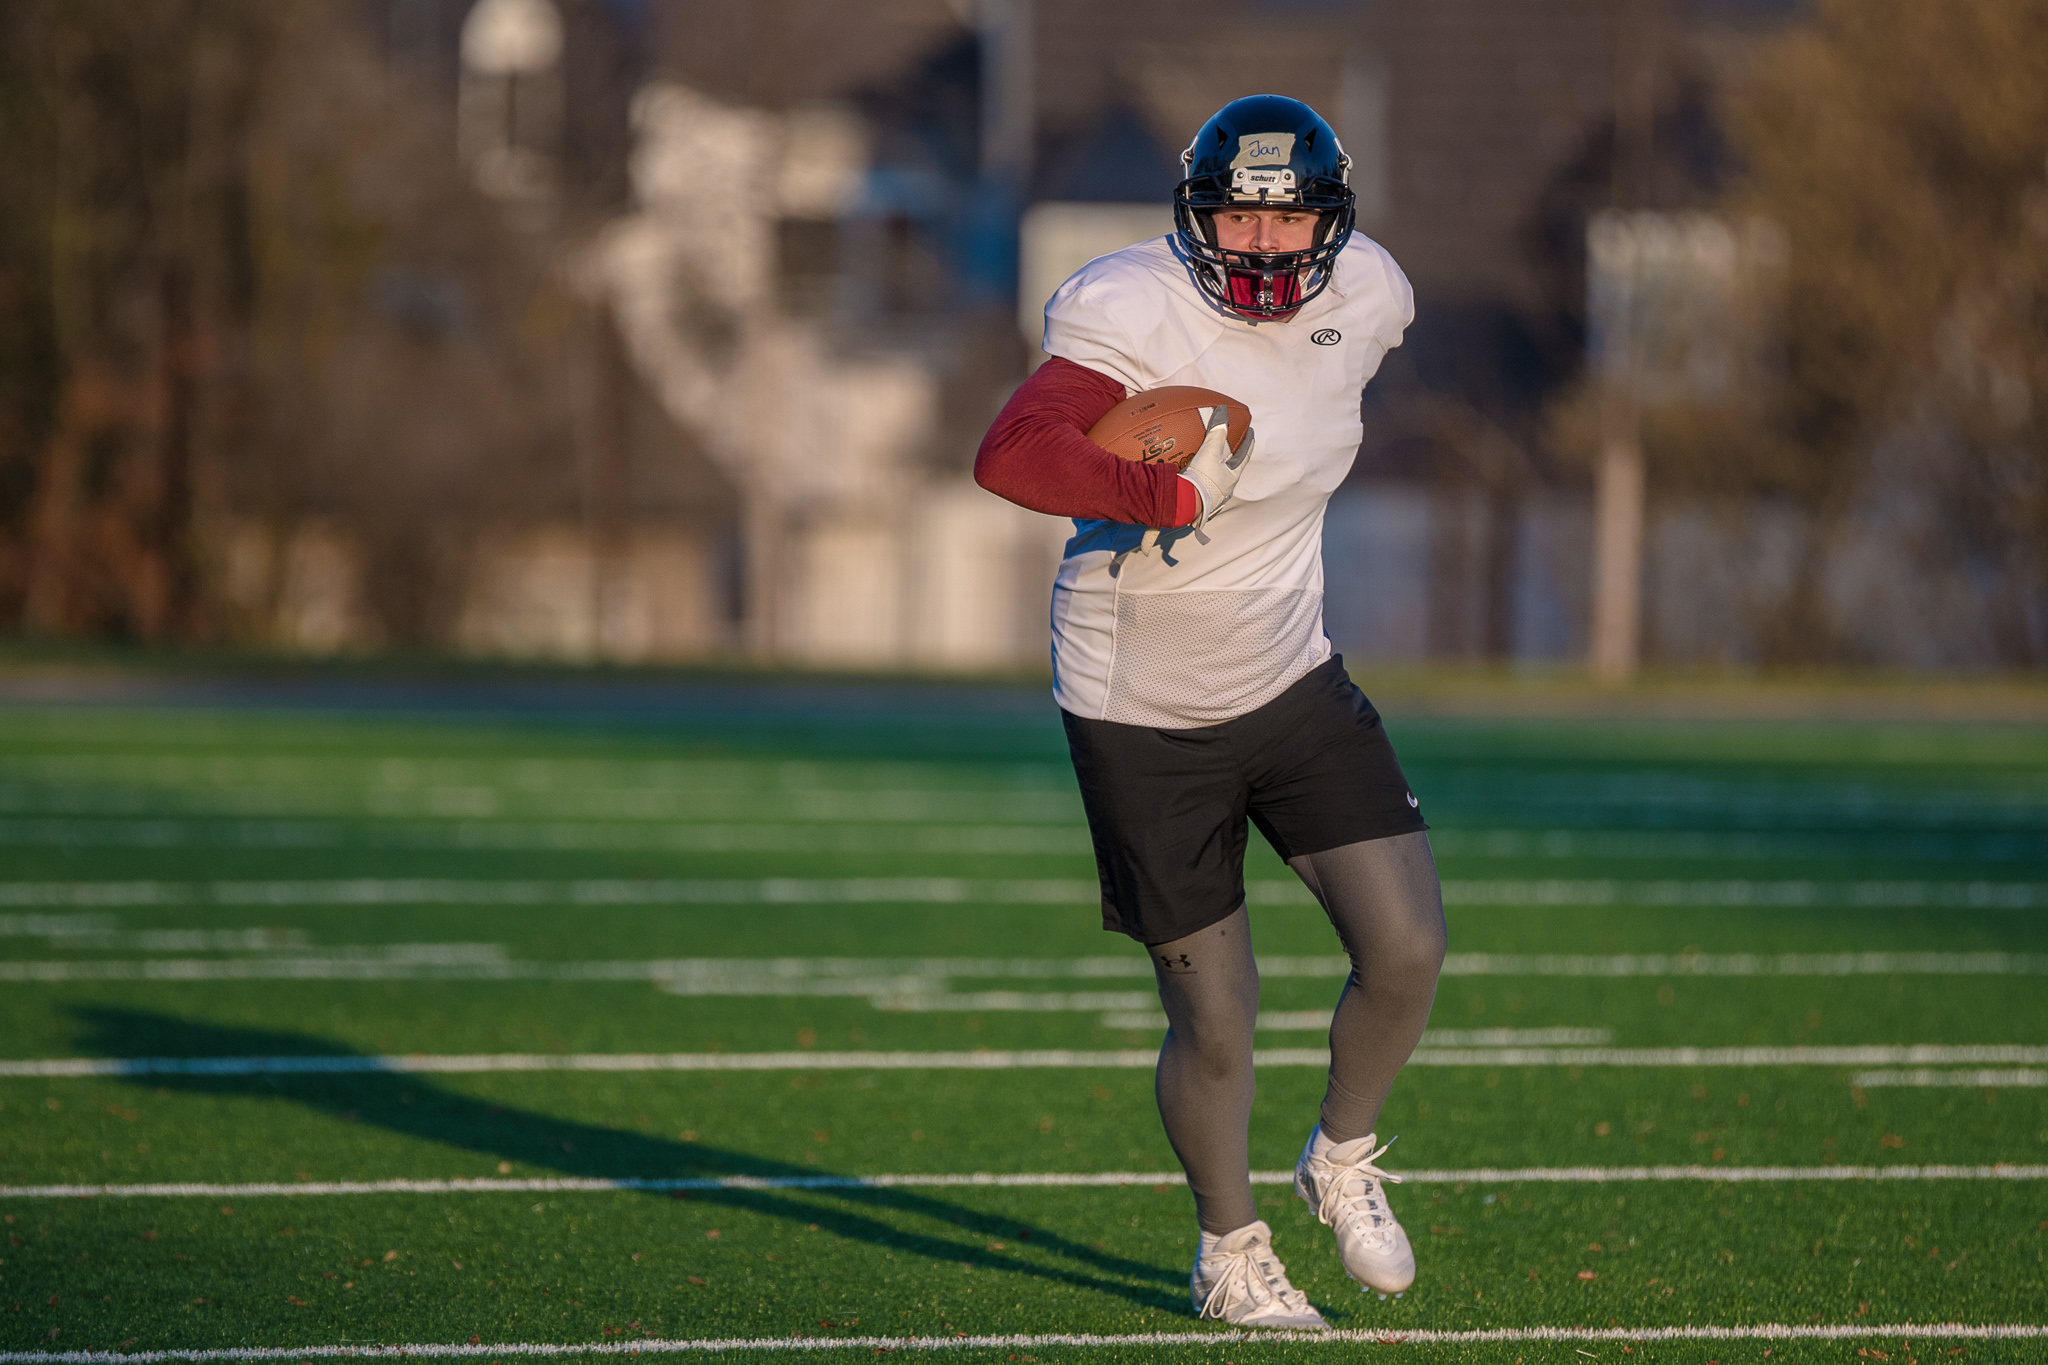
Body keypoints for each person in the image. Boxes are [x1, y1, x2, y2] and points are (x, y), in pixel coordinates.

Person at [974, 94, 1445, 1330]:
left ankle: (1338, 1159)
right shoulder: (1128, 305)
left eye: (1287, 225)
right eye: (1236, 213)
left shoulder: (1372, 296)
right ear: (1194, 213)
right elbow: (1012, 451)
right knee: (1217, 1020)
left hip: (1288, 671)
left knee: (1404, 951)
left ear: (1333, 228)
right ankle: (1227, 1249)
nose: (1259, 245)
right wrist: (1156, 494)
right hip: (1141, 708)